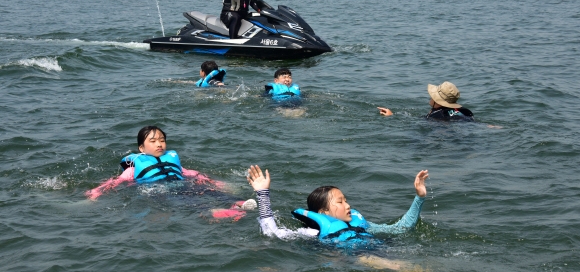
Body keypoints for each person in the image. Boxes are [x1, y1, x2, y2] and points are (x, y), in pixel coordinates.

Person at [85, 126, 256, 219]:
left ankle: (237, 202)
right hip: (158, 192)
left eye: (162, 140)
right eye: (153, 141)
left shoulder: (171, 159)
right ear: (141, 148)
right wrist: (97, 191)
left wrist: (214, 183)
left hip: (182, 184)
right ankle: (214, 212)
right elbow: (115, 182)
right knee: (192, 203)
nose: (159, 144)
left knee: (210, 192)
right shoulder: (133, 168)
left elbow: (192, 173)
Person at [246, 165, 428, 247]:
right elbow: (272, 233)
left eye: (346, 200)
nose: (348, 205)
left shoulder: (361, 224)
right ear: (323, 212)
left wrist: (419, 197)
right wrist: (263, 194)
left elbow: (401, 229)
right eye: (340, 202)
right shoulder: (313, 233)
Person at [378, 81, 474, 121]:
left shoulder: (437, 116)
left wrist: (392, 116)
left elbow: (413, 122)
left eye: (433, 96)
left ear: (438, 101)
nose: (430, 97)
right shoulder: (464, 111)